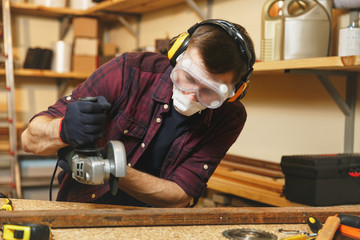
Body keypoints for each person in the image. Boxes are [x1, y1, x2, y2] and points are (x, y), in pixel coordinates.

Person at [21, 19, 255, 208]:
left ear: (234, 93)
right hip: (82, 207)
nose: (192, 96)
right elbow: (29, 141)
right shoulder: (128, 71)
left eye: (209, 91)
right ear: (177, 55)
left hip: (155, 224)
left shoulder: (229, 116)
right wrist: (63, 129)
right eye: (189, 78)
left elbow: (181, 195)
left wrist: (112, 170)